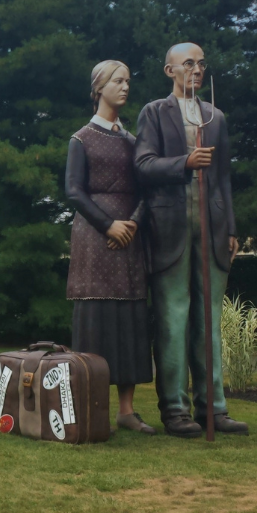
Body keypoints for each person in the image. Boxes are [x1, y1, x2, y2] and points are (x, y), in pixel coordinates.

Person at [134, 42, 248, 437]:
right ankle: (175, 410)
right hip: (170, 228)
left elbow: (224, 178)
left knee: (208, 321)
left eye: (200, 64)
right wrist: (185, 162)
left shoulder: (216, 117)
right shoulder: (153, 112)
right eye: (187, 64)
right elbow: (143, 165)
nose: (195, 70)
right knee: (173, 318)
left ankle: (213, 408)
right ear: (170, 71)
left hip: (212, 228)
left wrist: (231, 228)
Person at [65, 60, 155, 435]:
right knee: (96, 320)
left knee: (130, 320)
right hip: (93, 238)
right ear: (99, 87)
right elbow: (73, 190)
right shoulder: (81, 139)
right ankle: (91, 407)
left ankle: (127, 410)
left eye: (128, 81)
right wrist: (108, 224)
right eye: (118, 81)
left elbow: (148, 190)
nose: (125, 87)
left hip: (129, 239)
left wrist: (133, 222)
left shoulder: (135, 144)